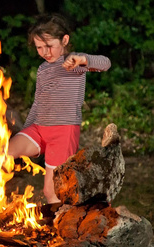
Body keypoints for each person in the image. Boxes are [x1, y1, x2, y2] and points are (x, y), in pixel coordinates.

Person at [8, 13, 111, 204]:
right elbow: (37, 103)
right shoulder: (42, 69)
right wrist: (25, 130)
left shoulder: (73, 63)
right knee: (2, 154)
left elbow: (106, 63)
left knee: (51, 192)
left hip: (63, 132)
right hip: (39, 128)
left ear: (64, 40)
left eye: (49, 46)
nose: (45, 52)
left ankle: (59, 228)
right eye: (39, 47)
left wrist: (82, 59)